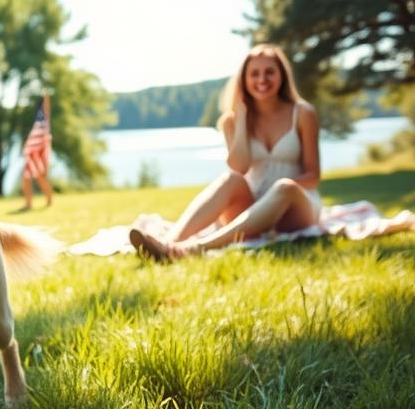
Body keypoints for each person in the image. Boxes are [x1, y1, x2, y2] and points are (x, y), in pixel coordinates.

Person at [131, 44, 321, 261]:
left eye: (269, 72)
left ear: (282, 75)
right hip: (251, 208)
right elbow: (240, 167)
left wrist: (274, 195)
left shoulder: (303, 113)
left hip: (296, 208)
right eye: (254, 74)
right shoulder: (232, 121)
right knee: (230, 178)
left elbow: (313, 176)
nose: (262, 80)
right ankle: (168, 245)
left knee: (284, 187)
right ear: (243, 80)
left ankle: (196, 248)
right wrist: (240, 119)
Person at [17, 92, 54, 211]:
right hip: (32, 153)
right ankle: (28, 203)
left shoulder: (45, 121)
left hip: (39, 153)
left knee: (40, 178)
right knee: (26, 177)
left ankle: (49, 200)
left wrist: (46, 97)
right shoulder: (37, 121)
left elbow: (47, 110)